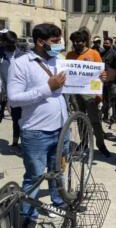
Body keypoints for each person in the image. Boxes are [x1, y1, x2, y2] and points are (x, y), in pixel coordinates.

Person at [7, 24, 68, 226]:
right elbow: (14, 99)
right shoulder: (21, 64)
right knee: (34, 176)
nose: (59, 45)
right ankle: (28, 217)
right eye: (55, 41)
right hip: (36, 132)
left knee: (57, 171)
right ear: (41, 42)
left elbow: (77, 85)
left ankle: (58, 204)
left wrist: (98, 79)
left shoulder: (60, 61)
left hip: (61, 128)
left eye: (60, 40)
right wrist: (47, 88)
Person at [66, 31, 110, 158]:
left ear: (85, 42)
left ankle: (101, 145)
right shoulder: (70, 55)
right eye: (73, 41)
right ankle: (84, 143)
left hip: (90, 93)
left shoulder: (94, 54)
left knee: (95, 121)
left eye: (78, 41)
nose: (75, 44)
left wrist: (99, 94)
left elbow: (100, 75)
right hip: (76, 93)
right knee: (80, 119)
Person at [0, 30, 24, 148]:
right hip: (3, 92)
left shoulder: (22, 54)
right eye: (9, 43)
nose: (12, 46)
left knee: (18, 118)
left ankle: (16, 143)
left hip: (20, 92)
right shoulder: (1, 54)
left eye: (13, 43)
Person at [101, 37, 116, 122]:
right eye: (104, 43)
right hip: (104, 80)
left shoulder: (115, 54)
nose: (105, 45)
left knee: (113, 100)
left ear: (111, 44)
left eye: (107, 43)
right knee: (105, 99)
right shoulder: (102, 53)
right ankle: (105, 116)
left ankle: (114, 117)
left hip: (112, 81)